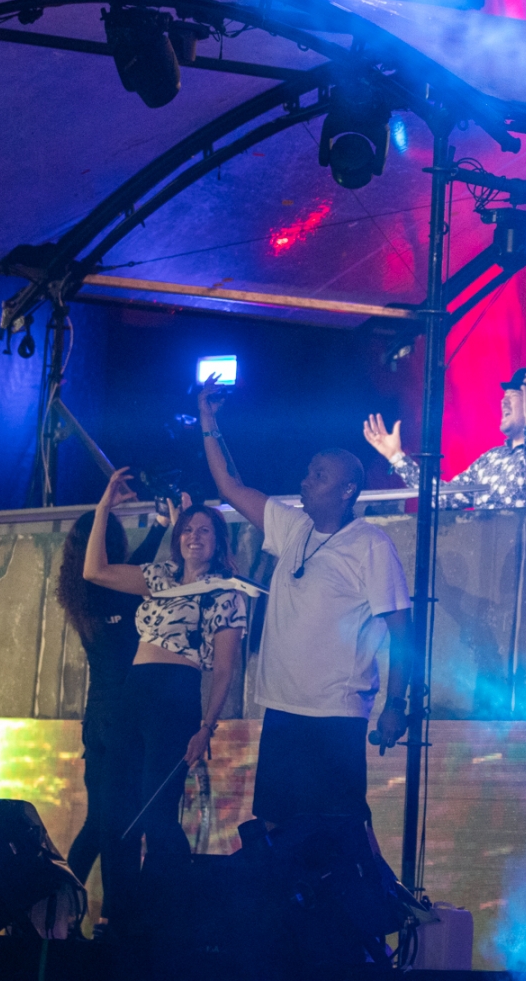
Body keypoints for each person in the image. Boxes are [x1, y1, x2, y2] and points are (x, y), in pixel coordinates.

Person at [200, 380, 412, 827]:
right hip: (282, 710)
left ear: (347, 490)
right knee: (276, 826)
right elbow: (230, 486)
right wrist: (208, 421)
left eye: (319, 476)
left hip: (334, 715)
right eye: (308, 472)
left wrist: (396, 704)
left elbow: (402, 631)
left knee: (335, 830)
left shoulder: (370, 545)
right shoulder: (293, 528)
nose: (305, 481)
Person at [83, 468, 249, 918]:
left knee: (156, 816)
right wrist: (104, 508)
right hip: (133, 693)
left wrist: (206, 727)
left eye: (205, 530)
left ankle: (166, 917)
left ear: (218, 541)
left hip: (175, 699)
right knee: (114, 814)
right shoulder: (160, 576)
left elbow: (225, 670)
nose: (195, 537)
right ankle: (119, 915)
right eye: (188, 529)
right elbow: (94, 571)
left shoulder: (225, 593)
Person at [55, 502, 169, 925]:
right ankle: (111, 916)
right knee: (118, 823)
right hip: (121, 720)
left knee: (99, 822)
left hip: (100, 718)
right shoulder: (109, 589)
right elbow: (136, 568)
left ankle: (59, 906)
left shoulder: (82, 593)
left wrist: (158, 527)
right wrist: (158, 529)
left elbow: (132, 567)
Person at [364, 367, 526, 508]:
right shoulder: (491, 459)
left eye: (514, 395)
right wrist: (397, 457)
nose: (504, 402)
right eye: (504, 396)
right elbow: (441, 498)